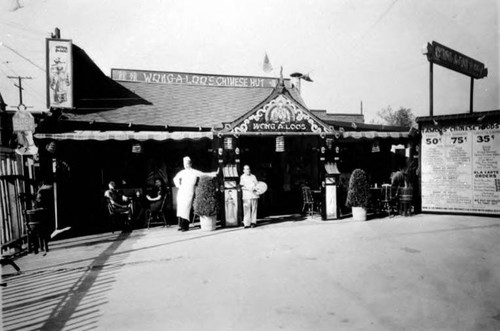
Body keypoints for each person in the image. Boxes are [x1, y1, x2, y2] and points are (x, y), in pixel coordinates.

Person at [173, 156, 217, 232]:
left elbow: (203, 174)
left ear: (190, 164)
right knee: (180, 207)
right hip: (182, 190)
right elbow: (175, 178)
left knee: (186, 208)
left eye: (187, 163)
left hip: (189, 191)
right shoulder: (182, 172)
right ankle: (181, 225)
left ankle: (185, 226)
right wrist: (178, 185)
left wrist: (213, 174)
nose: (186, 165)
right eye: (185, 164)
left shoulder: (194, 171)